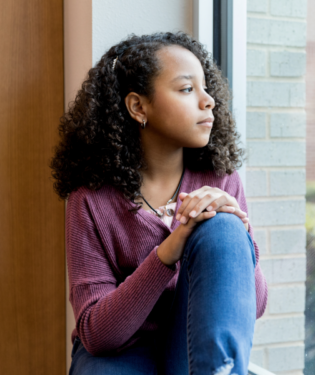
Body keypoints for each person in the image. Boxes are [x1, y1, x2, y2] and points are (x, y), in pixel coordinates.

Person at [50, 31, 268, 375]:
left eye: (205, 87)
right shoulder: (90, 199)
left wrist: (240, 232)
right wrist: (169, 250)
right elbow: (96, 334)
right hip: (120, 353)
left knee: (224, 226)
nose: (208, 100)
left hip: (194, 349)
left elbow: (253, 306)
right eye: (186, 89)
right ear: (139, 107)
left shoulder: (220, 180)